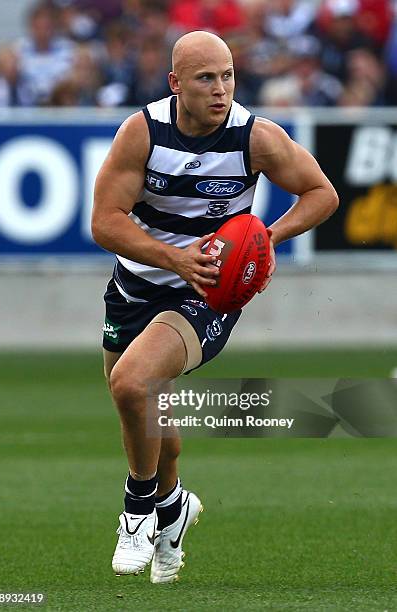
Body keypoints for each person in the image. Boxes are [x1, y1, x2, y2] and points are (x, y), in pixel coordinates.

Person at [91, 30, 338, 583]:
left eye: (228, 76)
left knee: (132, 384)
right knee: (149, 415)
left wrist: (268, 239)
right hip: (135, 288)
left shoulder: (256, 136)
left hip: (207, 296)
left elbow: (321, 192)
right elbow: (105, 221)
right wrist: (173, 258)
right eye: (206, 78)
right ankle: (173, 506)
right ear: (176, 83)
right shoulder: (142, 133)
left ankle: (137, 512)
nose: (221, 89)